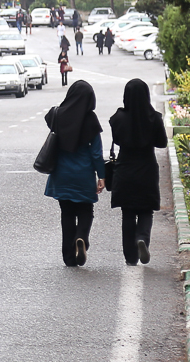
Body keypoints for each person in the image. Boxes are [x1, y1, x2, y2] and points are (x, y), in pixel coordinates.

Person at [43, 79, 105, 267]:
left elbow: (49, 120)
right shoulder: (91, 120)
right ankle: (81, 237)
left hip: (61, 173)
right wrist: (102, 176)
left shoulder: (57, 115)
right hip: (83, 175)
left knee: (67, 213)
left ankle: (69, 258)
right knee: (86, 210)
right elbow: (96, 153)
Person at [109, 78, 168, 265]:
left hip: (125, 170)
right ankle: (142, 238)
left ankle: (130, 257)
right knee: (146, 211)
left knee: (127, 212)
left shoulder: (118, 118)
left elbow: (116, 140)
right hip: (147, 170)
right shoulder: (154, 118)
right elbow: (162, 143)